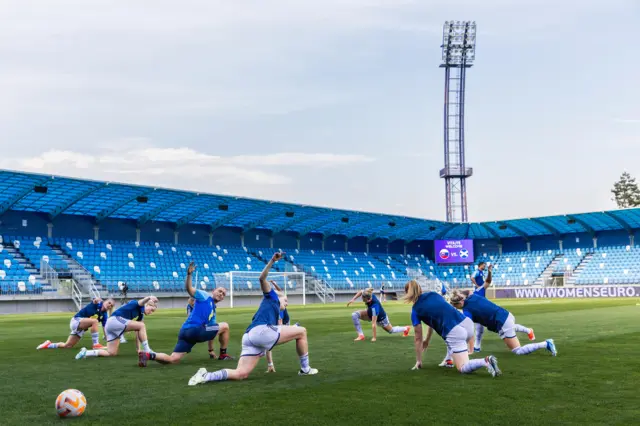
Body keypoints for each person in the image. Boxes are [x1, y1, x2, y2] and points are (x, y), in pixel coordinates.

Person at [187, 252, 318, 386]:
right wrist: (272, 260)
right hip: (261, 332)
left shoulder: (276, 311)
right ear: (278, 297)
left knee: (240, 373)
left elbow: (279, 330)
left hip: (249, 337)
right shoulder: (271, 297)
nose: (287, 303)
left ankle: (206, 376)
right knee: (302, 331)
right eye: (285, 300)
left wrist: (290, 329)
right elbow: (262, 278)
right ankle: (305, 369)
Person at [137, 263, 233, 366]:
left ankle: (148, 355)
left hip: (185, 332)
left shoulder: (213, 311)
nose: (221, 294)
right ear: (213, 291)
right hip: (196, 330)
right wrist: (189, 275)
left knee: (173, 359)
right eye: (220, 291)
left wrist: (210, 350)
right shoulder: (205, 296)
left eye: (223, 294)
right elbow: (189, 289)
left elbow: (212, 332)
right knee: (225, 326)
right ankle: (223, 355)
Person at [403, 279, 501, 377]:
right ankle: (448, 360)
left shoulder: (415, 310)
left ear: (408, 293)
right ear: (420, 289)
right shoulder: (434, 294)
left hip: (455, 332)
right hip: (467, 323)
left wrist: (419, 361)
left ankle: (486, 361)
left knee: (462, 367)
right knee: (449, 341)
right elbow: (433, 321)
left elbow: (418, 338)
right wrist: (427, 340)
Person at [449, 290, 556, 357]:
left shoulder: (467, 310)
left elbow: (469, 329)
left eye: (455, 306)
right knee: (512, 329)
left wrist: (470, 349)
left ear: (460, 302)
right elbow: (468, 291)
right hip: (505, 315)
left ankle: (546, 344)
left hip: (502, 321)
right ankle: (529, 331)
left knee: (517, 351)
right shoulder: (473, 295)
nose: (455, 308)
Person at [74, 296, 158, 360]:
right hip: (114, 320)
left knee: (111, 353)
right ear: (147, 305)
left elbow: (138, 333)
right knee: (142, 325)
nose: (151, 312)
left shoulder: (140, 315)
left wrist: (139, 349)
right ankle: (148, 350)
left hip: (110, 326)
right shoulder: (137, 304)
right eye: (151, 309)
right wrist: (149, 297)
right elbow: (142, 302)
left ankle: (86, 352)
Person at [37, 298, 115, 350]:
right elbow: (95, 300)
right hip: (76, 321)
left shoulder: (104, 315)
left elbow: (105, 328)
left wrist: (109, 340)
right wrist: (97, 300)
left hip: (81, 328)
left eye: (111, 305)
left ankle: (48, 345)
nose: (109, 305)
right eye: (109, 303)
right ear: (105, 301)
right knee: (94, 321)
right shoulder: (97, 304)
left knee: (67, 346)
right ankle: (96, 344)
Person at [470, 262, 494, 352]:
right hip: (478, 300)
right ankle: (475, 344)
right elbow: (472, 278)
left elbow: (488, 281)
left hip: (481, 299)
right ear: (479, 266)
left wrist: (489, 272)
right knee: (478, 322)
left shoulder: (482, 274)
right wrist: (477, 286)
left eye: (485, 265)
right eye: (483, 265)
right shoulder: (476, 272)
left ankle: (476, 344)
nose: (484, 266)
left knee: (481, 323)